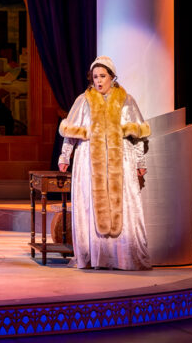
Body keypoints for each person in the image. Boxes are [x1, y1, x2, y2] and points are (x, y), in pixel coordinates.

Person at [57, 56, 151, 270]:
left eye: (103, 76)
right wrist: (65, 156)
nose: (98, 81)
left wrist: (140, 162)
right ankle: (95, 255)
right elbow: (70, 133)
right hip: (90, 159)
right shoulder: (84, 100)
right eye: (95, 77)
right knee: (91, 203)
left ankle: (122, 256)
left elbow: (137, 135)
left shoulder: (126, 100)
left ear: (112, 77)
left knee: (124, 205)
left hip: (121, 159)